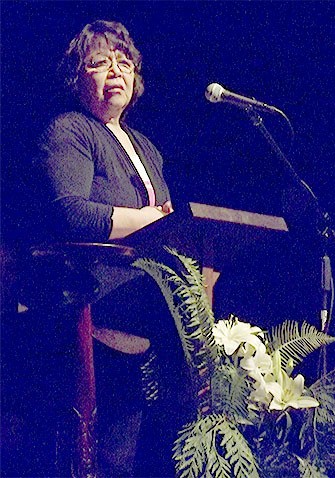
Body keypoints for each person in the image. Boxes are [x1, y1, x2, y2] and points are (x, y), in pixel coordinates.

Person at [24, 20, 192, 477]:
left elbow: (164, 215)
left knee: (129, 457)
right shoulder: (71, 130)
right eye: (99, 62)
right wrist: (150, 220)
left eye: (124, 62)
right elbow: (70, 213)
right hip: (95, 298)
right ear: (78, 76)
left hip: (144, 304)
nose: (115, 70)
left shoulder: (146, 147)